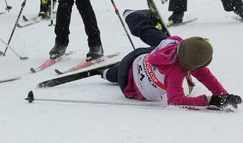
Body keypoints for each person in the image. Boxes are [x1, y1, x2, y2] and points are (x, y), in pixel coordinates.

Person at [102, 10, 242, 108]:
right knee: (118, 74)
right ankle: (106, 73)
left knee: (161, 39)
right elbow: (176, 101)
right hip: (127, 84)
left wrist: (224, 95)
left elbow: (205, 75)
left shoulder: (175, 42)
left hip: (136, 57)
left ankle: (134, 18)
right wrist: (212, 100)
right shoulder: (175, 73)